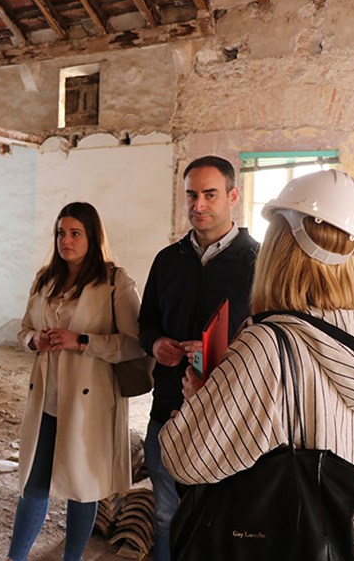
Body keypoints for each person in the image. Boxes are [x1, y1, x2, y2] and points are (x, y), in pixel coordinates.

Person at [159, 169, 354, 560]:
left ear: (278, 247)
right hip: (349, 548)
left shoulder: (268, 344)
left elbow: (185, 459)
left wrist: (202, 398)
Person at [6, 202, 146, 561]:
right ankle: (15, 557)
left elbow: (135, 343)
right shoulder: (45, 279)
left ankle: (72, 558)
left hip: (90, 400)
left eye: (75, 233)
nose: (65, 241)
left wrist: (82, 341)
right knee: (33, 484)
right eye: (60, 233)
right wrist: (34, 340)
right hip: (47, 398)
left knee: (83, 487)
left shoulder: (115, 281)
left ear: (92, 236)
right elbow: (24, 329)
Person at [137, 155, 260, 561]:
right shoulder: (167, 260)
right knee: (166, 515)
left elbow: (271, 341)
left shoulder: (258, 263)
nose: (199, 205)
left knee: (224, 518)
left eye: (210, 194)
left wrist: (219, 356)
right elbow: (146, 324)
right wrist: (156, 344)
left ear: (233, 196)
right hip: (168, 411)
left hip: (231, 419)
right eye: (191, 195)